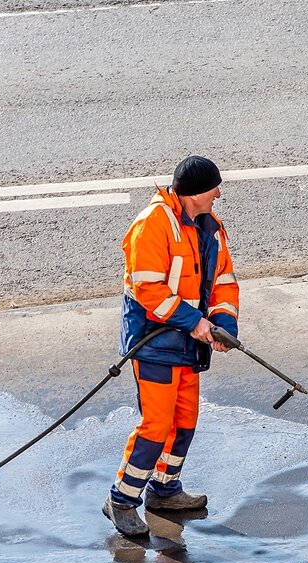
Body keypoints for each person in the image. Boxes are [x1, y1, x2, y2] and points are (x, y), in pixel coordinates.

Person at [102, 155, 240, 537]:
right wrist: (196, 322)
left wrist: (224, 323)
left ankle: (164, 490)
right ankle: (121, 500)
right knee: (157, 424)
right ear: (196, 192)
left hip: (186, 344)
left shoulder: (210, 227)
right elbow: (148, 289)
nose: (218, 193)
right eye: (214, 188)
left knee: (185, 421)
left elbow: (224, 280)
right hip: (153, 344)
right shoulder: (153, 225)